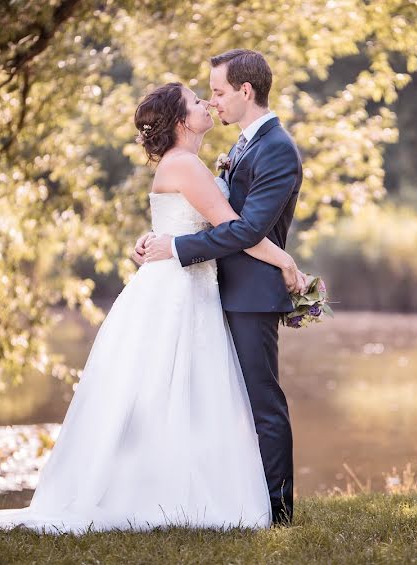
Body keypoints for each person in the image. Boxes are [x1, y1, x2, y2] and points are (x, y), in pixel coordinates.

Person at [0, 78, 304, 533]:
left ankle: (171, 488)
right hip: (178, 290)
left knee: (176, 393)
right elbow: (237, 227)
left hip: (185, 284)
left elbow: (199, 225)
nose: (206, 104)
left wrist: (169, 242)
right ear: (181, 121)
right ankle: (164, 494)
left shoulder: (188, 163)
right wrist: (287, 262)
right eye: (198, 101)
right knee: (169, 392)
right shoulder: (187, 166)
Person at [133, 48, 303, 525]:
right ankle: (216, 496)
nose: (212, 102)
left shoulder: (276, 149)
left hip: (249, 294)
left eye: (219, 92)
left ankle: (278, 509)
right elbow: (208, 215)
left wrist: (177, 247)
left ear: (245, 91)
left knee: (262, 402)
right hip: (211, 289)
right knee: (218, 401)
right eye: (206, 96)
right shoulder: (242, 146)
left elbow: (247, 229)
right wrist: (161, 243)